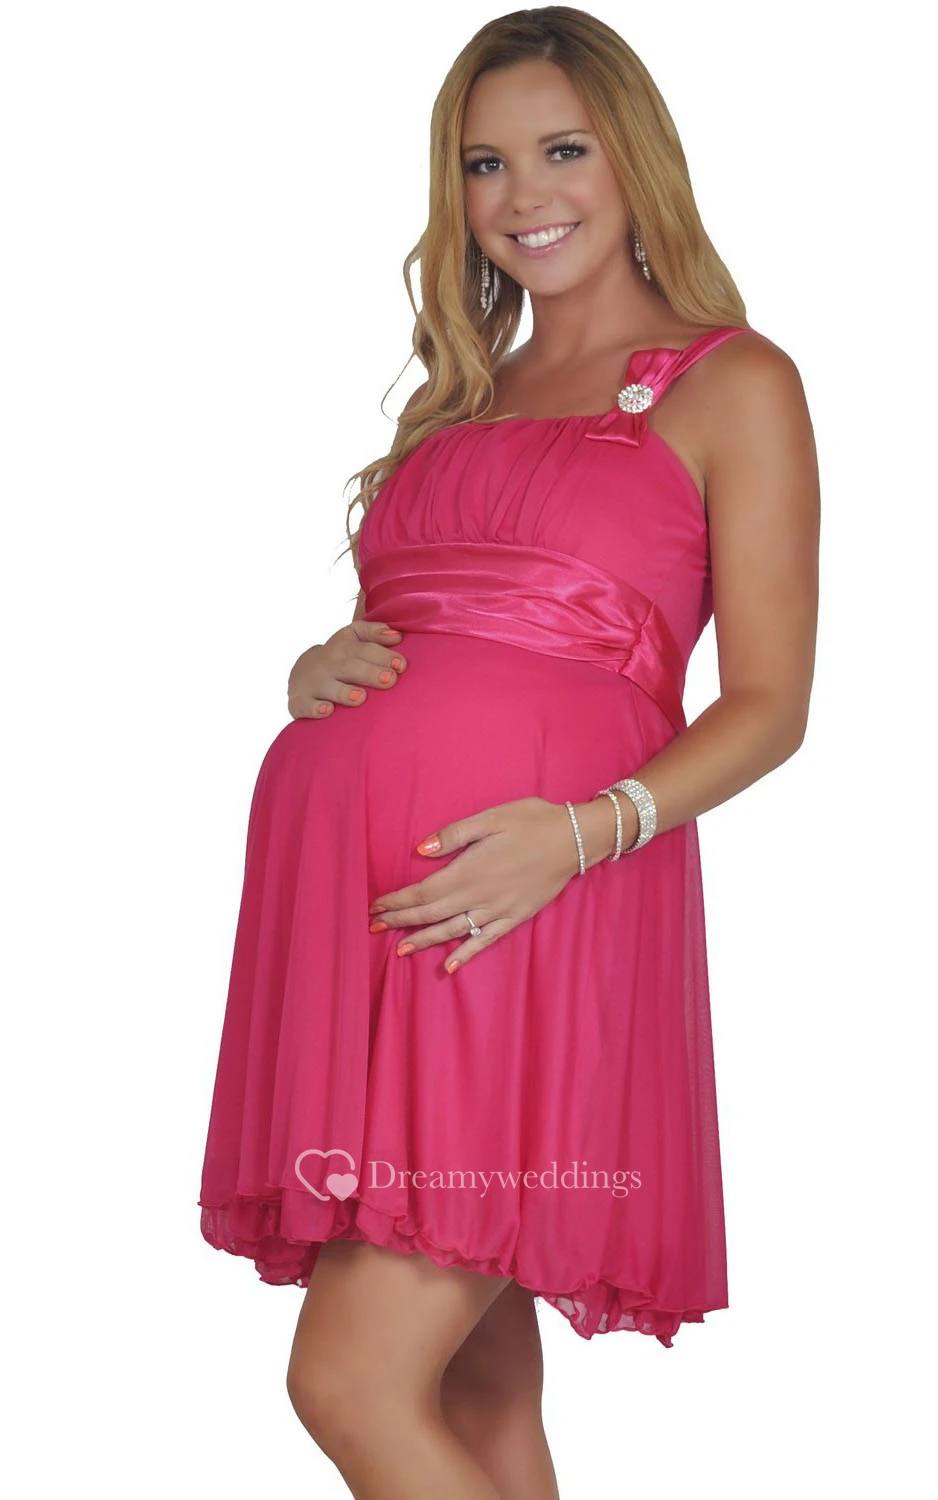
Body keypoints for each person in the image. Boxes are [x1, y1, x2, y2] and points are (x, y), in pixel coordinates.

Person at [198, 7, 819, 1497]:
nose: (523, 195)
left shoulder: (732, 382)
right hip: (370, 933)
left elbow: (770, 704)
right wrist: (316, 669)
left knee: (350, 1382)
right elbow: (440, 632)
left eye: (561, 151)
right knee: (475, 1400)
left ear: (634, 161)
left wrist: (583, 831)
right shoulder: (456, 401)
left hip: (528, 914)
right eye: (484, 165)